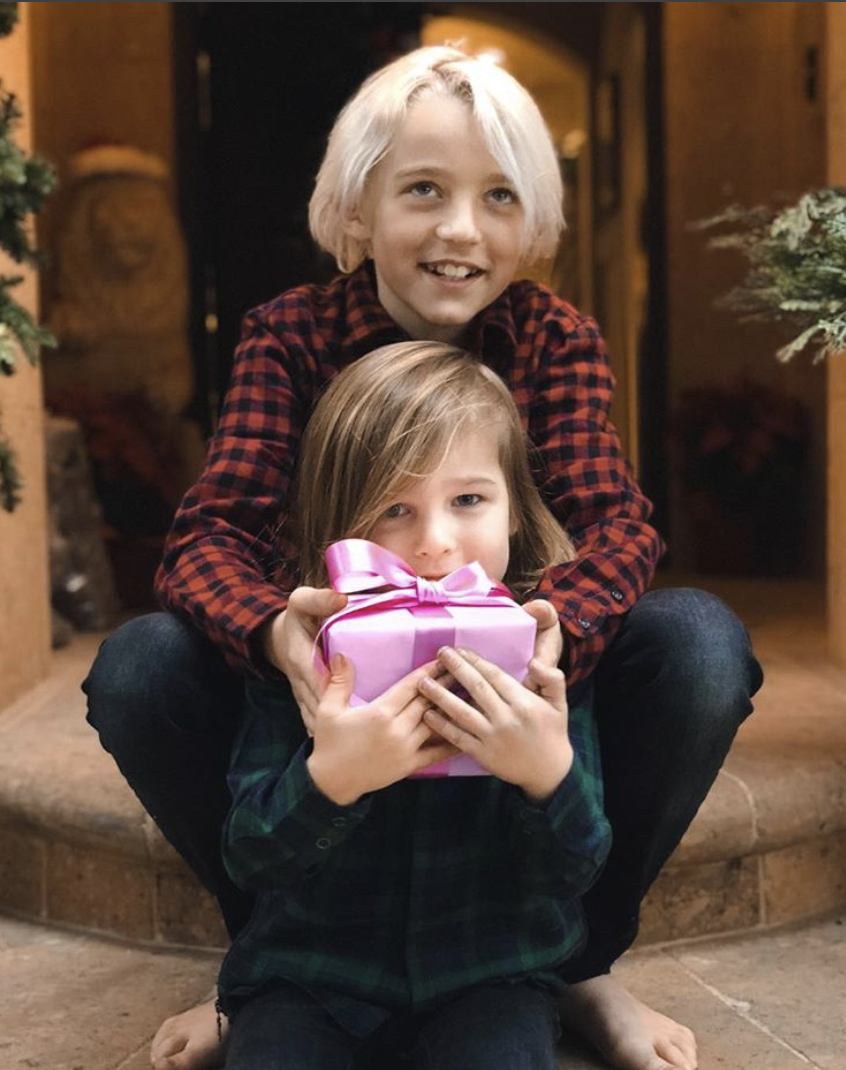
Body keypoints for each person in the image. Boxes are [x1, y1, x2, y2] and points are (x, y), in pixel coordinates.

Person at [82, 44, 763, 1070]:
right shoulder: (290, 335)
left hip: (514, 688)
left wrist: (550, 631)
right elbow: (207, 533)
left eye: (498, 196)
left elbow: (619, 527)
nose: (460, 228)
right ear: (356, 211)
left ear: (532, 222)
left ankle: (575, 958)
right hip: (325, 687)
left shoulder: (555, 339)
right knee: (137, 663)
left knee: (702, 642)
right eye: (422, 191)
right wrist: (282, 636)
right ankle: (269, 964)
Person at [218, 339, 611, 1069]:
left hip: (489, 977)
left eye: (468, 500)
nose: (434, 544)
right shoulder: (309, 662)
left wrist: (545, 775)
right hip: (309, 980)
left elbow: (577, 869)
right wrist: (330, 780)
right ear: (340, 524)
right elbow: (251, 859)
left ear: (515, 511)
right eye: (394, 509)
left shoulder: (537, 661)